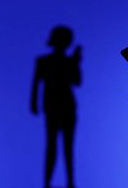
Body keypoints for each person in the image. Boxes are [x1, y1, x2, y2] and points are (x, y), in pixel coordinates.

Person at [31, 26, 82, 188]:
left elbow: (77, 81)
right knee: (55, 146)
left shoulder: (53, 61)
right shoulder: (43, 61)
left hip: (63, 106)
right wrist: (34, 102)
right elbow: (36, 84)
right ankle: (50, 183)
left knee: (65, 147)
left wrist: (76, 62)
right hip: (56, 106)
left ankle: (68, 183)